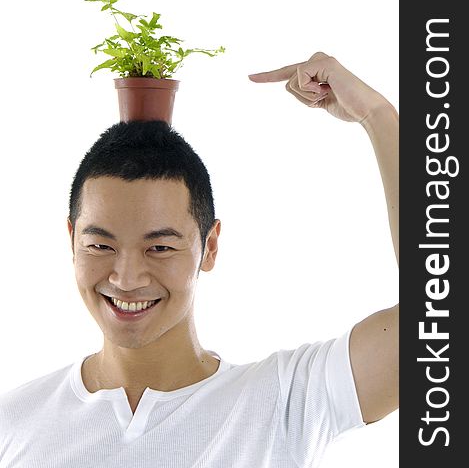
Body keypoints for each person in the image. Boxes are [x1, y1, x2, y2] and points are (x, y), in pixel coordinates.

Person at [0, 52, 398, 467]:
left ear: (209, 247)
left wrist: (377, 114)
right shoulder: (13, 424)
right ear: (71, 240)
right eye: (101, 246)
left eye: (160, 247)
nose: (127, 277)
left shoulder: (285, 402)